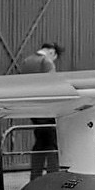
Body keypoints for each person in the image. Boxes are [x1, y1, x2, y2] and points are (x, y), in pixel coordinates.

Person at [19, 41, 62, 179]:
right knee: (52, 144)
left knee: (40, 141)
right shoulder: (47, 62)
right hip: (47, 108)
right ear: (52, 52)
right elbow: (52, 85)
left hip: (33, 108)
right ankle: (52, 177)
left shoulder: (26, 61)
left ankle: (35, 176)